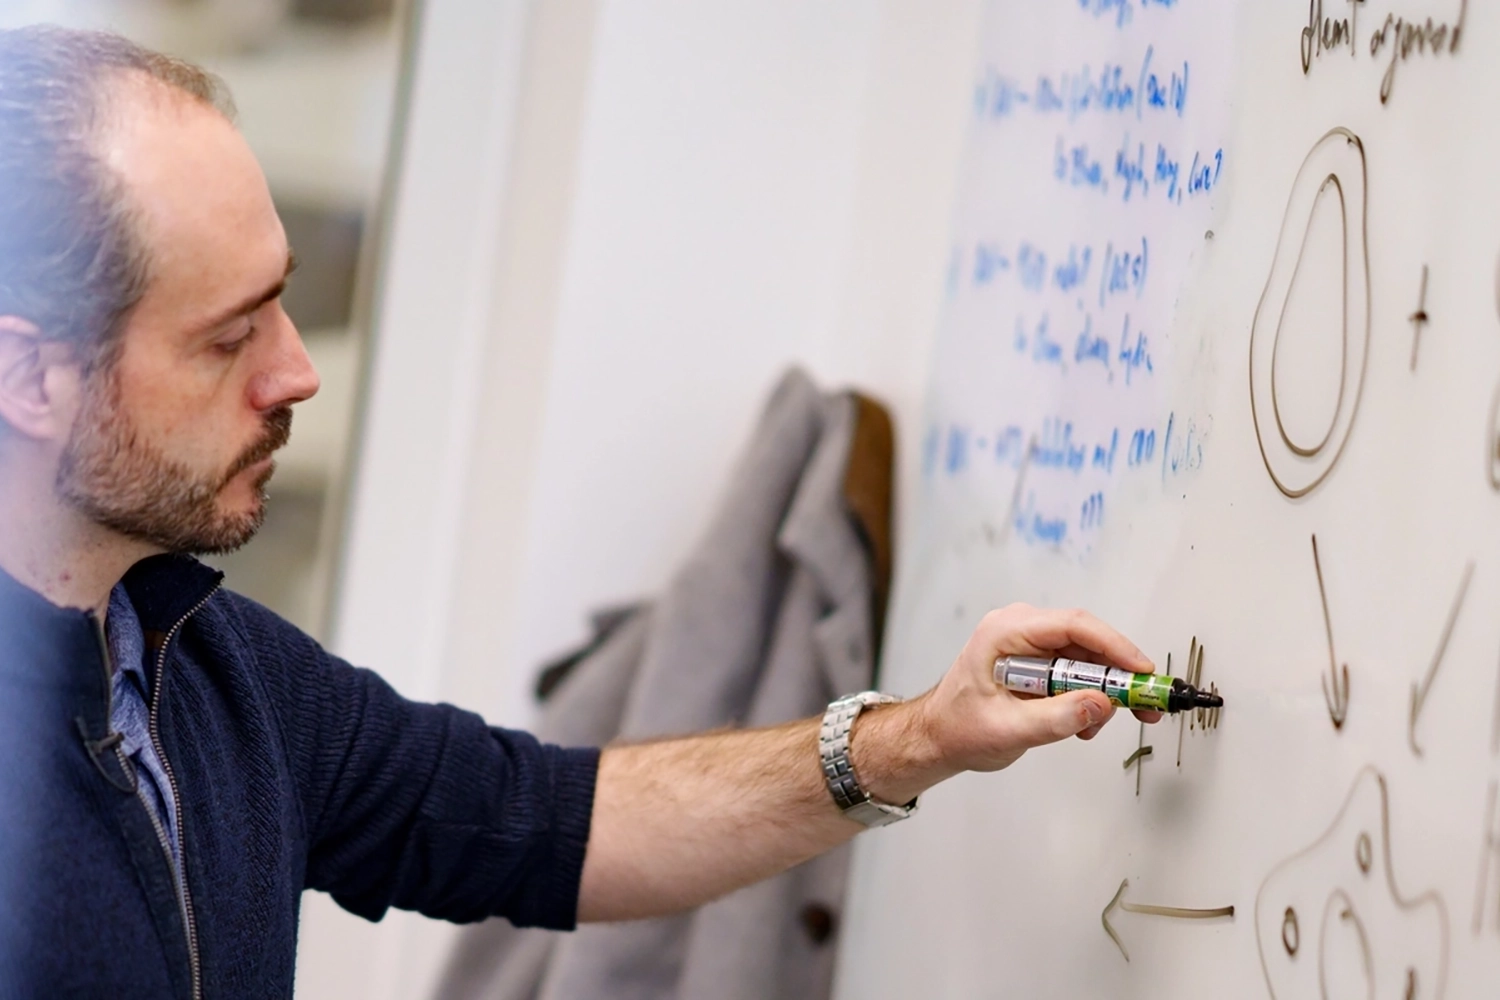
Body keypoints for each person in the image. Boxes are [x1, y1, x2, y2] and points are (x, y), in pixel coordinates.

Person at [0, 25, 1160, 999]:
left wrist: (920, 736)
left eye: (284, 302)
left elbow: (552, 821)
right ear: (30, 380)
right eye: (228, 336)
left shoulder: (205, 669)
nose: (297, 370)